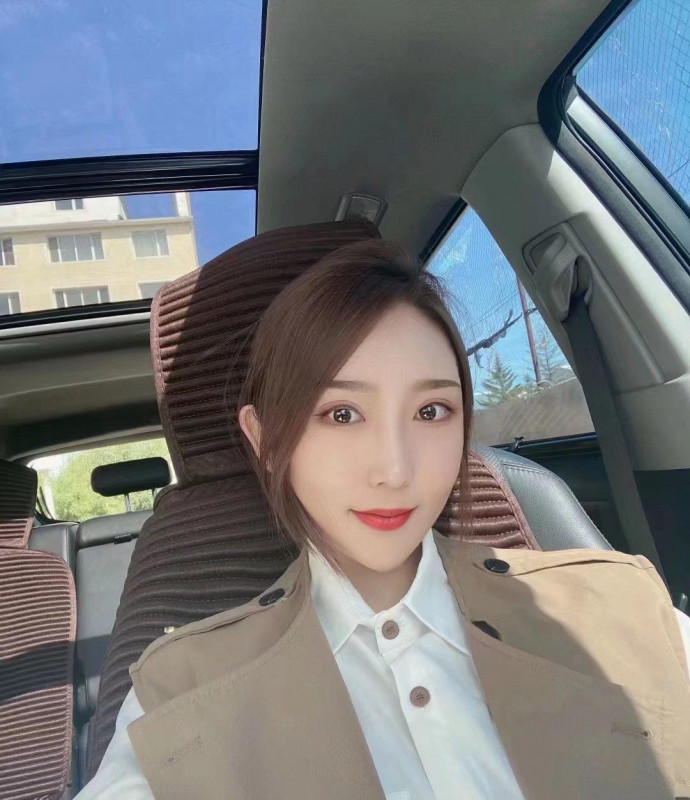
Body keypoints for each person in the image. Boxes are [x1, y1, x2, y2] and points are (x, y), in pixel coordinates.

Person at [76, 239, 690, 800]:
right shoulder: (177, 696)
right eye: (341, 414)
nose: (395, 471)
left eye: (431, 410)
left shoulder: (622, 608)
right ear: (262, 440)